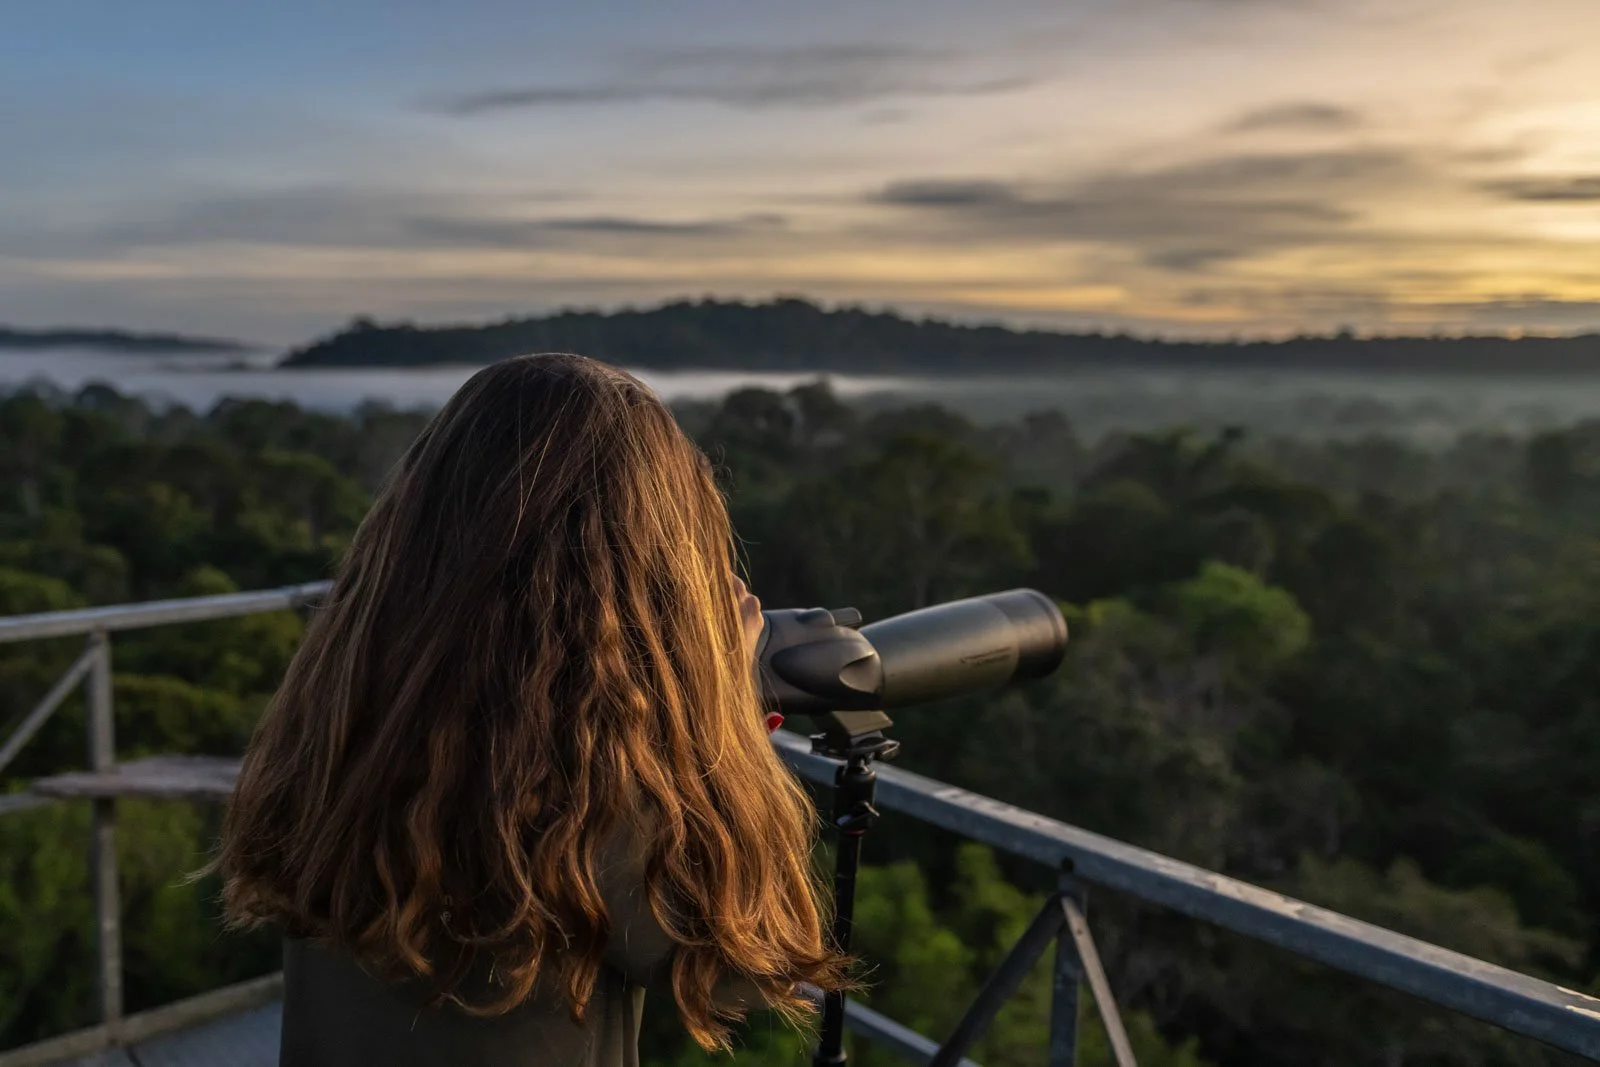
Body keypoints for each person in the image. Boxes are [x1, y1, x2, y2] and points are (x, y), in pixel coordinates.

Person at [214, 354, 853, 1066]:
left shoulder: (350, 706)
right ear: (633, 569)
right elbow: (749, 970)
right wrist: (725, 708)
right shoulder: (586, 784)